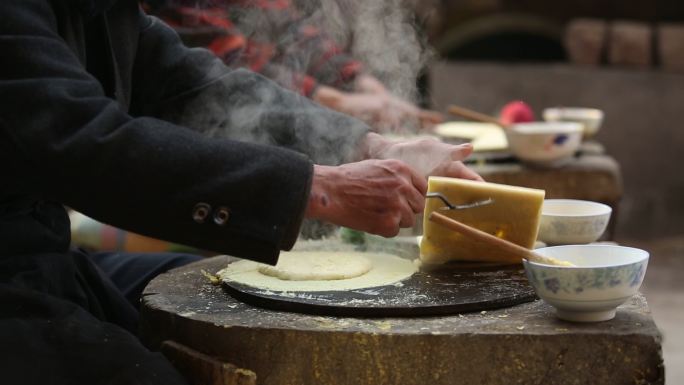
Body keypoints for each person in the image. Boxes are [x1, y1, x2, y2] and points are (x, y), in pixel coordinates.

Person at [0, 1, 480, 384]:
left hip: (48, 259)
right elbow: (85, 144)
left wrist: (365, 144)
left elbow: (197, 88)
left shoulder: (111, 11)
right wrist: (319, 189)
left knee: (234, 302)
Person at [144, 0, 444, 132]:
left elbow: (296, 34)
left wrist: (362, 82)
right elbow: (236, 65)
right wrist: (340, 101)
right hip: (184, 141)